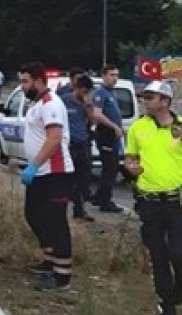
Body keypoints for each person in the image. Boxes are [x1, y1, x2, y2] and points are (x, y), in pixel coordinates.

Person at [124, 81, 182, 315]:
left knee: (177, 253)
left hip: (177, 202)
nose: (145, 101)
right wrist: (131, 167)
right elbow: (130, 158)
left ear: (165, 102)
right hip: (149, 200)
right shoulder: (138, 127)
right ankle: (167, 305)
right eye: (144, 97)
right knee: (157, 254)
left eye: (150, 97)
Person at [18, 61, 75, 291]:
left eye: (25, 81)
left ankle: (62, 275)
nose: (22, 86)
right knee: (34, 216)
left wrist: (35, 165)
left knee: (55, 222)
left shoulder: (51, 104)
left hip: (55, 173)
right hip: (40, 174)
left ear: (39, 81)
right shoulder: (36, 104)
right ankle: (49, 260)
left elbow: (54, 138)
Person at [90, 64, 126, 214]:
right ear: (104, 76)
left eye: (116, 75)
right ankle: (106, 202)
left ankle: (99, 197)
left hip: (113, 137)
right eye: (112, 75)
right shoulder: (101, 93)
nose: (115, 78)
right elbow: (97, 114)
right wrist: (114, 127)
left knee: (111, 168)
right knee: (110, 169)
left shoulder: (112, 93)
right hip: (106, 135)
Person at [64, 75, 95, 222]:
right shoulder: (65, 100)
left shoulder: (86, 103)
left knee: (83, 179)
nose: (86, 94)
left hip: (82, 144)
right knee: (69, 180)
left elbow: (93, 120)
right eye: (84, 91)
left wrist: (88, 105)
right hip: (69, 146)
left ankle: (79, 210)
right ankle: (66, 209)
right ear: (78, 88)